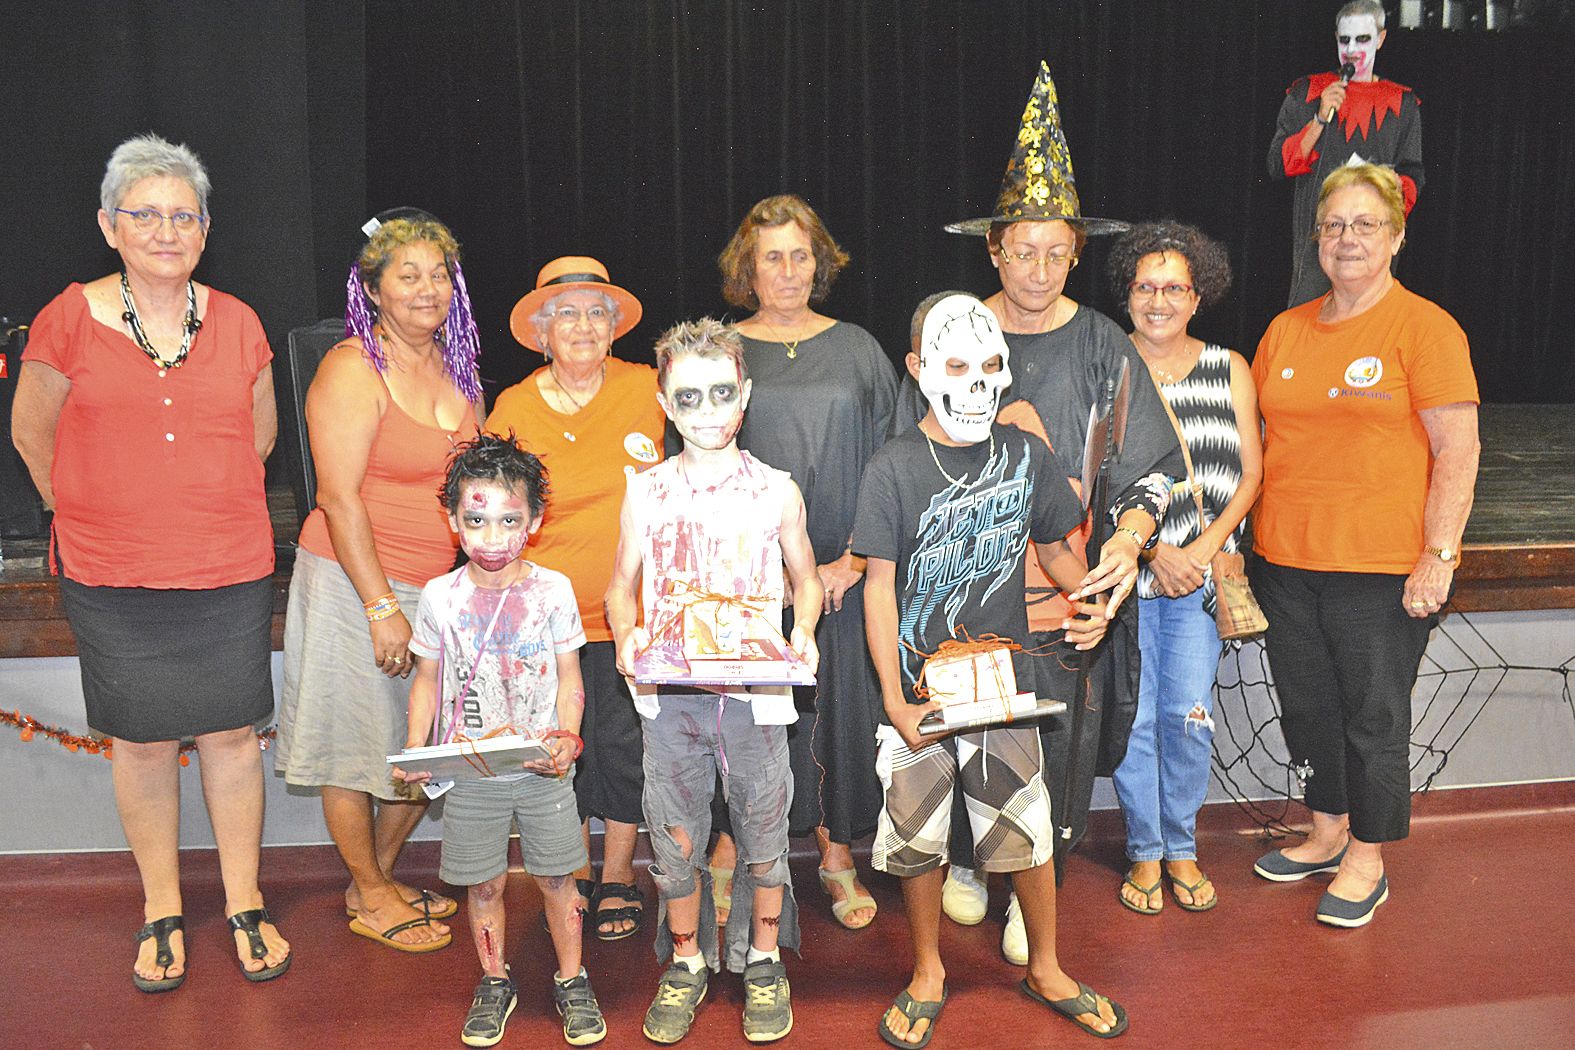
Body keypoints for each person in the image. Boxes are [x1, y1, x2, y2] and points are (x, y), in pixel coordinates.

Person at [10, 133, 291, 990]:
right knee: (137, 742)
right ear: (109, 224)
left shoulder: (239, 319)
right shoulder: (68, 316)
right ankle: (160, 908)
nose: (165, 230)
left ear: (204, 230)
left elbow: (263, 435)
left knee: (233, 738)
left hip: (227, 565)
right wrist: (93, 509)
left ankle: (244, 901)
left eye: (183, 216)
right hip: (110, 570)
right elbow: (32, 432)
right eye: (145, 214)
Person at [934, 60, 1181, 963]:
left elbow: (1150, 467)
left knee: (1055, 742)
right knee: (960, 724)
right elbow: (908, 450)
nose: (1036, 267)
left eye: (1054, 250)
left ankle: (1027, 887)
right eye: (1019, 249)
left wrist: (1127, 537)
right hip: (960, 592)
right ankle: (965, 860)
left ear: (1074, 253)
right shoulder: (954, 330)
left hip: (1062, 592)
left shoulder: (1101, 343)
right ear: (992, 251)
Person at [856, 293, 1129, 1045]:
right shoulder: (892, 467)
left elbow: (1053, 550)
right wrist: (892, 700)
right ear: (917, 370)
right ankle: (927, 972)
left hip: (1001, 679)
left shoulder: (1023, 453)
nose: (974, 383)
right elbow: (878, 589)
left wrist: (1091, 596)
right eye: (953, 365)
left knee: (1023, 829)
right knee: (915, 836)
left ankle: (1045, 966)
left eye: (987, 365)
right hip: (919, 687)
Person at [1250, 163, 1479, 928]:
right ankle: (1324, 829)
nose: (1346, 239)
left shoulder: (1425, 328)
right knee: (1307, 709)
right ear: (1315, 238)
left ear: (1395, 238)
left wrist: (1437, 554)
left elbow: (1457, 451)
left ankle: (1367, 855)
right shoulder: (1284, 330)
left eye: (1363, 225)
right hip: (1284, 561)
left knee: (1371, 718)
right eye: (1333, 226)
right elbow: (1256, 446)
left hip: (1378, 569)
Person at [606, 318, 823, 1045]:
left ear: (745, 396)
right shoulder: (646, 492)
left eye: (720, 394)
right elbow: (620, 586)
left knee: (763, 834)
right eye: (688, 397)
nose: (706, 412)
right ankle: (688, 963)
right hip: (672, 700)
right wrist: (626, 633)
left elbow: (807, 579)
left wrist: (802, 631)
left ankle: (762, 959)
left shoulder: (776, 491)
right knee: (674, 837)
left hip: (756, 699)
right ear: (665, 404)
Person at [275, 207, 484, 952]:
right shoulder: (351, 366)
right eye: (409, 274)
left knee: (420, 745)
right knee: (346, 742)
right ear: (375, 289)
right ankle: (368, 893)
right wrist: (380, 605)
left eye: (439, 274)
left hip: (435, 591)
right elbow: (337, 497)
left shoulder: (459, 369)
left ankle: (381, 877)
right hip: (351, 580)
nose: (426, 288)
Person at [712, 193, 896, 932]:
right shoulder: (719, 351)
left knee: (832, 721)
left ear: (818, 264)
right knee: (745, 723)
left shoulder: (857, 347)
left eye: (799, 256)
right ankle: (732, 851)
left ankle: (834, 854)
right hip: (745, 582)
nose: (786, 272)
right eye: (770, 258)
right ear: (746, 269)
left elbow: (894, 461)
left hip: (844, 579)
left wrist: (852, 558)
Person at [393, 434, 605, 1048]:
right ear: (453, 519)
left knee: (559, 877)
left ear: (534, 521)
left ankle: (572, 977)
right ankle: (494, 979)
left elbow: (571, 677)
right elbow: (426, 683)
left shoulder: (553, 590)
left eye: (509, 520)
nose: (492, 537)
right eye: (476, 520)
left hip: (543, 767)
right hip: (470, 771)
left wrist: (569, 737)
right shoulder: (440, 597)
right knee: (482, 883)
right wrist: (415, 749)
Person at [488, 255, 662, 942]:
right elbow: (493, 513)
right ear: (539, 331)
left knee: (621, 747)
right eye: (566, 313)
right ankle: (568, 871)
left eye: (597, 312)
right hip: (542, 623)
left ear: (615, 327)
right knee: (557, 746)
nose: (583, 325)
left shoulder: (650, 388)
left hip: (632, 618)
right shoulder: (513, 407)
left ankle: (617, 873)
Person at [1105, 222, 1262, 916]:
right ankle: (1143, 850)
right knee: (1137, 719)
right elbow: (1094, 477)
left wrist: (1198, 552)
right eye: (1145, 286)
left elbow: (1251, 474)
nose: (1158, 299)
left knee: (1187, 716)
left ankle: (1180, 845)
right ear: (1127, 296)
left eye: (1173, 287)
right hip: (1127, 579)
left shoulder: (1228, 366)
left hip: (1198, 581)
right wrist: (1149, 550)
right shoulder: (1107, 365)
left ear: (1197, 296)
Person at [1268, 0, 1423, 306]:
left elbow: (1413, 174)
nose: (1351, 49)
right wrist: (1319, 118)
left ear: (1380, 39)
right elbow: (1278, 164)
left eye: (1362, 39)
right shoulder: (1307, 92)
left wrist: (1393, 184)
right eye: (1344, 39)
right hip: (1318, 248)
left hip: (1372, 245)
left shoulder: (1402, 103)